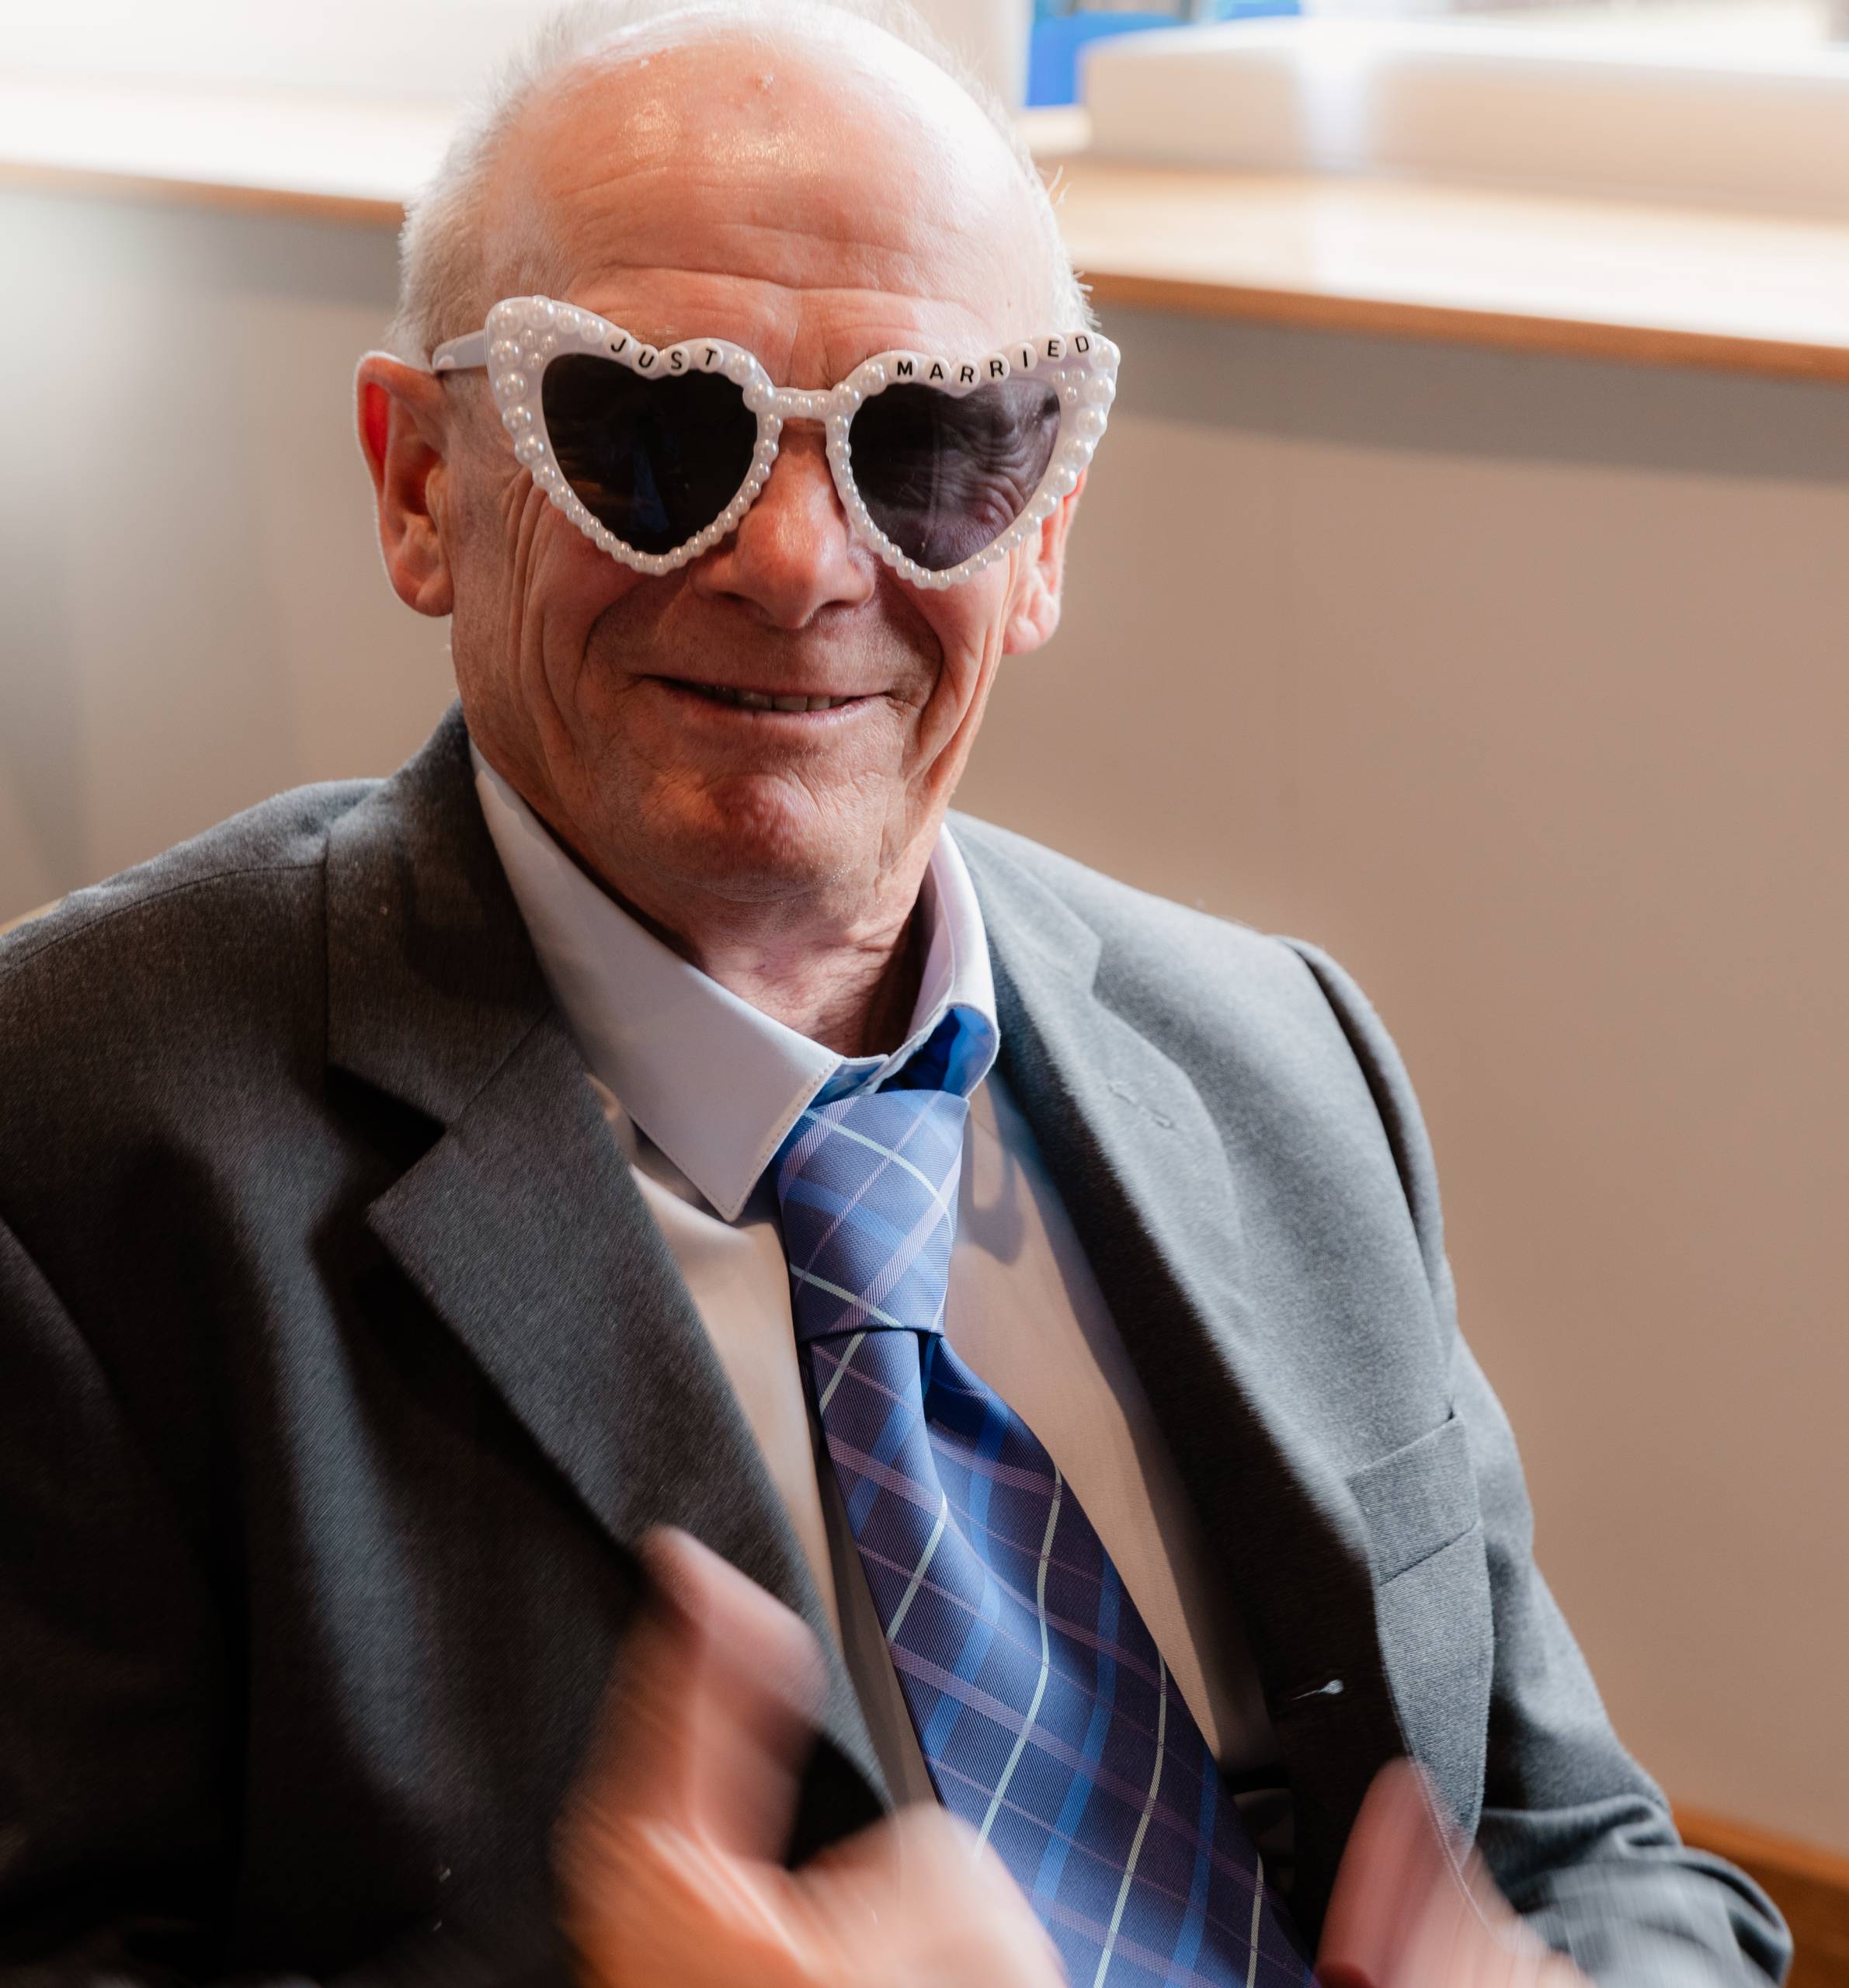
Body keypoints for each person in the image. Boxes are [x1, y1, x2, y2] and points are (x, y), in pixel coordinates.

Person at [0, 3, 1790, 1985]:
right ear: (424, 483)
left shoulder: (1280, 1059)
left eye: (925, 445)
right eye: (654, 434)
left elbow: (1592, 1851)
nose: (795, 560)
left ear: (1042, 537)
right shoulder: (76, 1147)